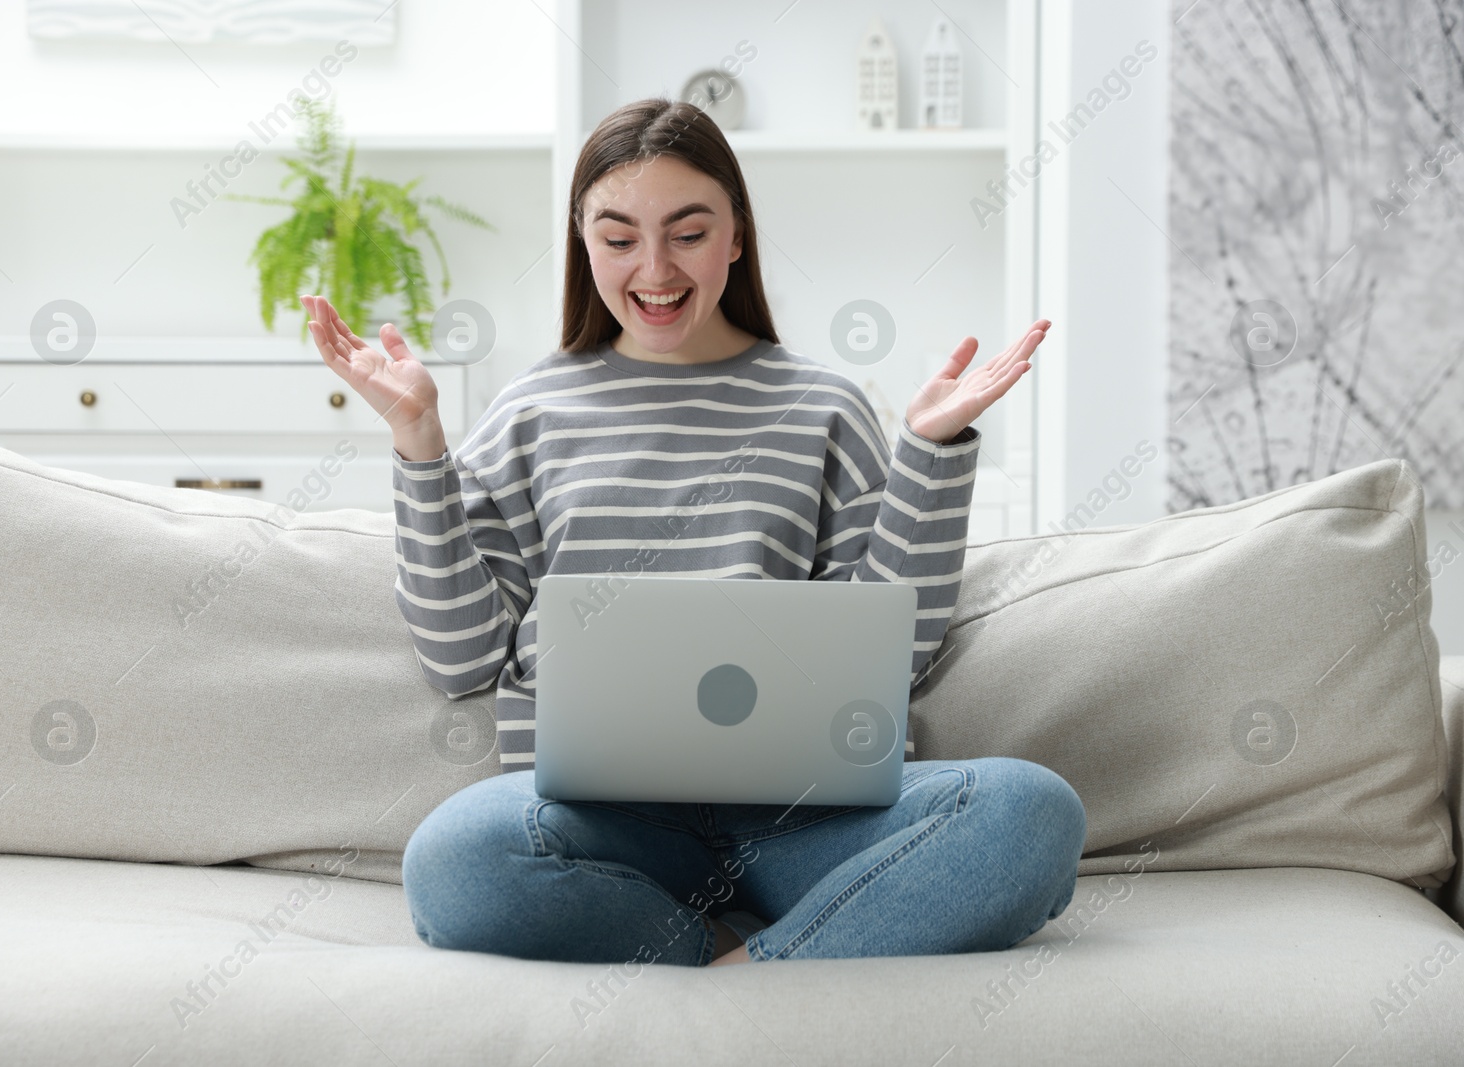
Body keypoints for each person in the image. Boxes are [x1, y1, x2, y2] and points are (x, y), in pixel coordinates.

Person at [300, 98, 1086, 967]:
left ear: (737, 238)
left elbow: (896, 651)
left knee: (1032, 811)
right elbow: (459, 658)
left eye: (688, 231)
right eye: (619, 236)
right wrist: (419, 447)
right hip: (603, 829)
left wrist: (931, 454)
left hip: (811, 820)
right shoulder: (529, 412)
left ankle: (740, 974)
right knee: (456, 862)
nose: (655, 268)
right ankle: (778, 954)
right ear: (582, 244)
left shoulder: (824, 407)